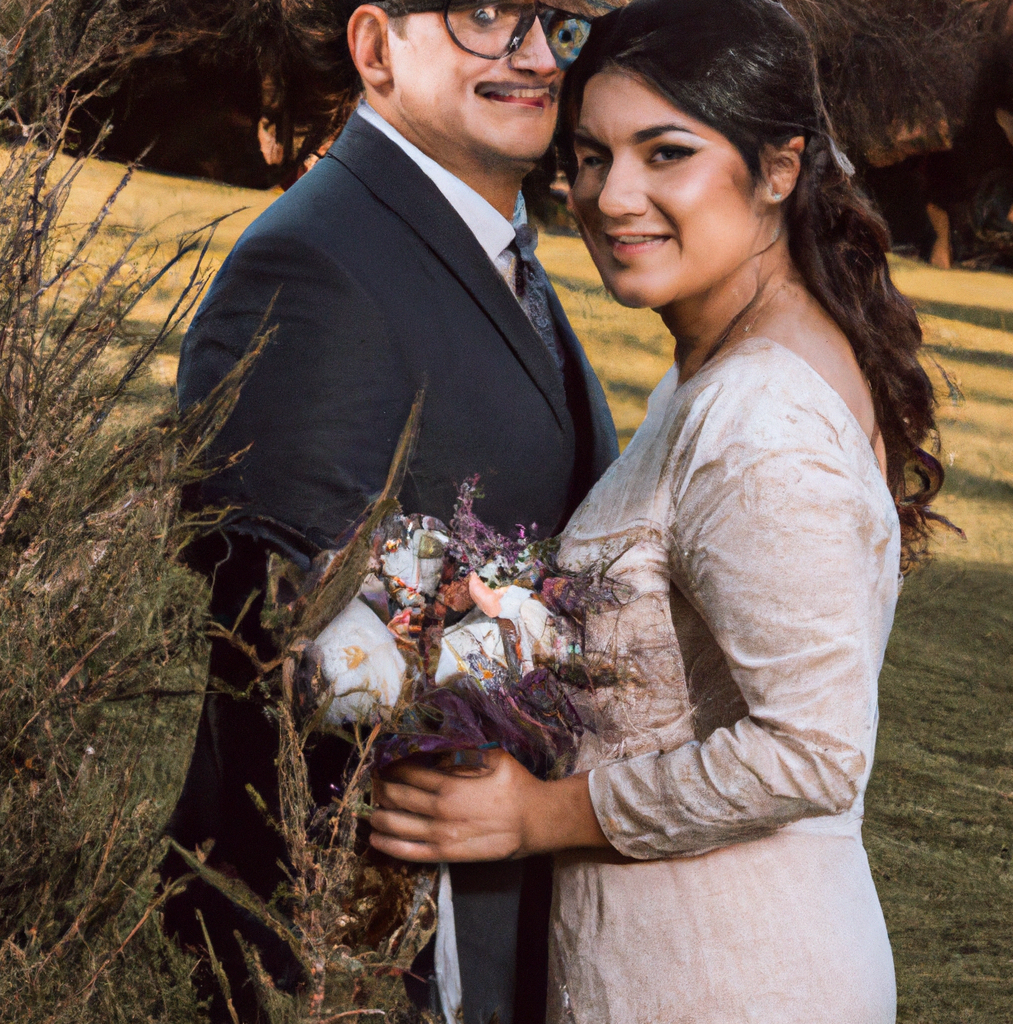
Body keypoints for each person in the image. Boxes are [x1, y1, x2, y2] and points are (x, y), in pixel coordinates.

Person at [367, 0, 945, 1021]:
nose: (611, 196)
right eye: (591, 155)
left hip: (731, 970)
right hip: (665, 954)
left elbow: (811, 748)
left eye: (665, 152)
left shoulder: (758, 415)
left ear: (777, 168)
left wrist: (536, 815)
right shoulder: (719, 362)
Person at [161, 2, 619, 1021]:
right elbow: (281, 643)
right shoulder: (317, 263)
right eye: (486, 15)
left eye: (553, 19)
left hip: (497, 906)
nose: (537, 53)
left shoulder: (483, 247)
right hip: (364, 947)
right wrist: (519, 634)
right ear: (375, 49)